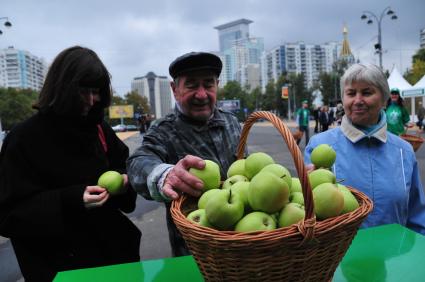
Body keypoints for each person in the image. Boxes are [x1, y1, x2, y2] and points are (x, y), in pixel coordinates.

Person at [0, 46, 141, 281]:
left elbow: (126, 167)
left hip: (116, 261)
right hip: (58, 270)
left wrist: (124, 181)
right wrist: (71, 199)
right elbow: (9, 214)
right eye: (83, 90)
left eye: (95, 91)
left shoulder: (100, 129)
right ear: (61, 88)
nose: (91, 100)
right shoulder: (24, 138)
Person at [126, 52, 242, 257]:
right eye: (191, 85)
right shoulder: (163, 130)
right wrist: (164, 175)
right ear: (174, 89)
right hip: (194, 254)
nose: (201, 94)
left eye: (208, 84)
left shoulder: (232, 122)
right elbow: (138, 162)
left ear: (217, 85)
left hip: (246, 246)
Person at [304, 63, 425, 235]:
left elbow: (418, 218)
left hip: (394, 259)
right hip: (339, 261)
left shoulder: (403, 151)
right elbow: (307, 219)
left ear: (384, 99)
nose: (358, 100)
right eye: (351, 93)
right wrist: (305, 191)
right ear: (343, 99)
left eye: (367, 92)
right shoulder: (319, 145)